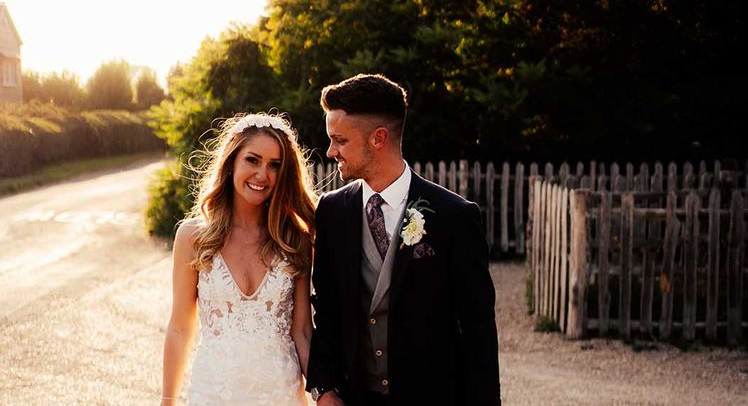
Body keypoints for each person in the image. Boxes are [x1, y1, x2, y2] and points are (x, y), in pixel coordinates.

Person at [307, 74, 501, 406]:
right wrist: (324, 388)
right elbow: (326, 310)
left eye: (340, 140)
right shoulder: (332, 211)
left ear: (378, 138)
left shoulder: (454, 216)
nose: (330, 151)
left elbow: (477, 331)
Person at [161, 112, 316, 405]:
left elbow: (302, 331)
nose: (262, 175)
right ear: (232, 161)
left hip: (281, 395)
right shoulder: (193, 236)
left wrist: (323, 395)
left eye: (274, 165)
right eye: (253, 160)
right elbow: (180, 327)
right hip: (214, 393)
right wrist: (167, 401)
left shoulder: (295, 239)